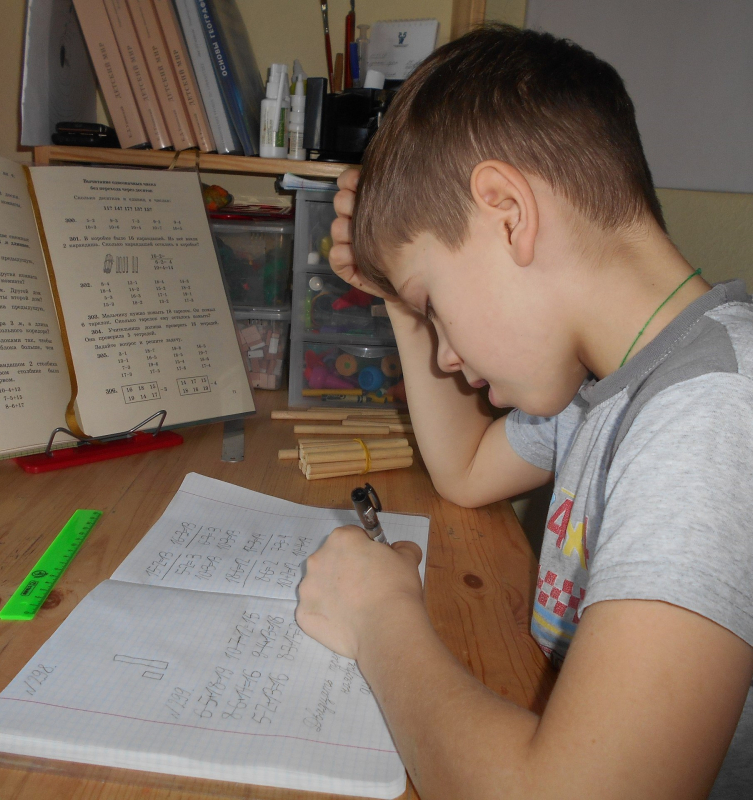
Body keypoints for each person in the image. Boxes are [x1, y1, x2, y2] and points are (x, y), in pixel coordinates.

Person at [295, 23, 753, 800]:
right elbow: (466, 470)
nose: (445, 356)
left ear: (508, 212)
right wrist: (402, 301)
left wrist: (379, 619)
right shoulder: (611, 385)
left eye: (434, 306)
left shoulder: (713, 409)